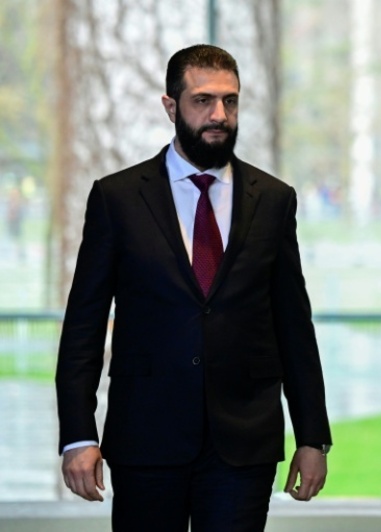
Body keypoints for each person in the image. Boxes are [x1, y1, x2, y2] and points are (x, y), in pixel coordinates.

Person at [56, 44, 332, 531]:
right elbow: (84, 326)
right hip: (146, 439)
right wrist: (79, 435)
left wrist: (313, 437)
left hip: (244, 445)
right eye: (203, 100)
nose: (219, 114)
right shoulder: (118, 198)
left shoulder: (273, 200)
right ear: (171, 106)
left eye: (230, 101)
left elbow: (294, 326)